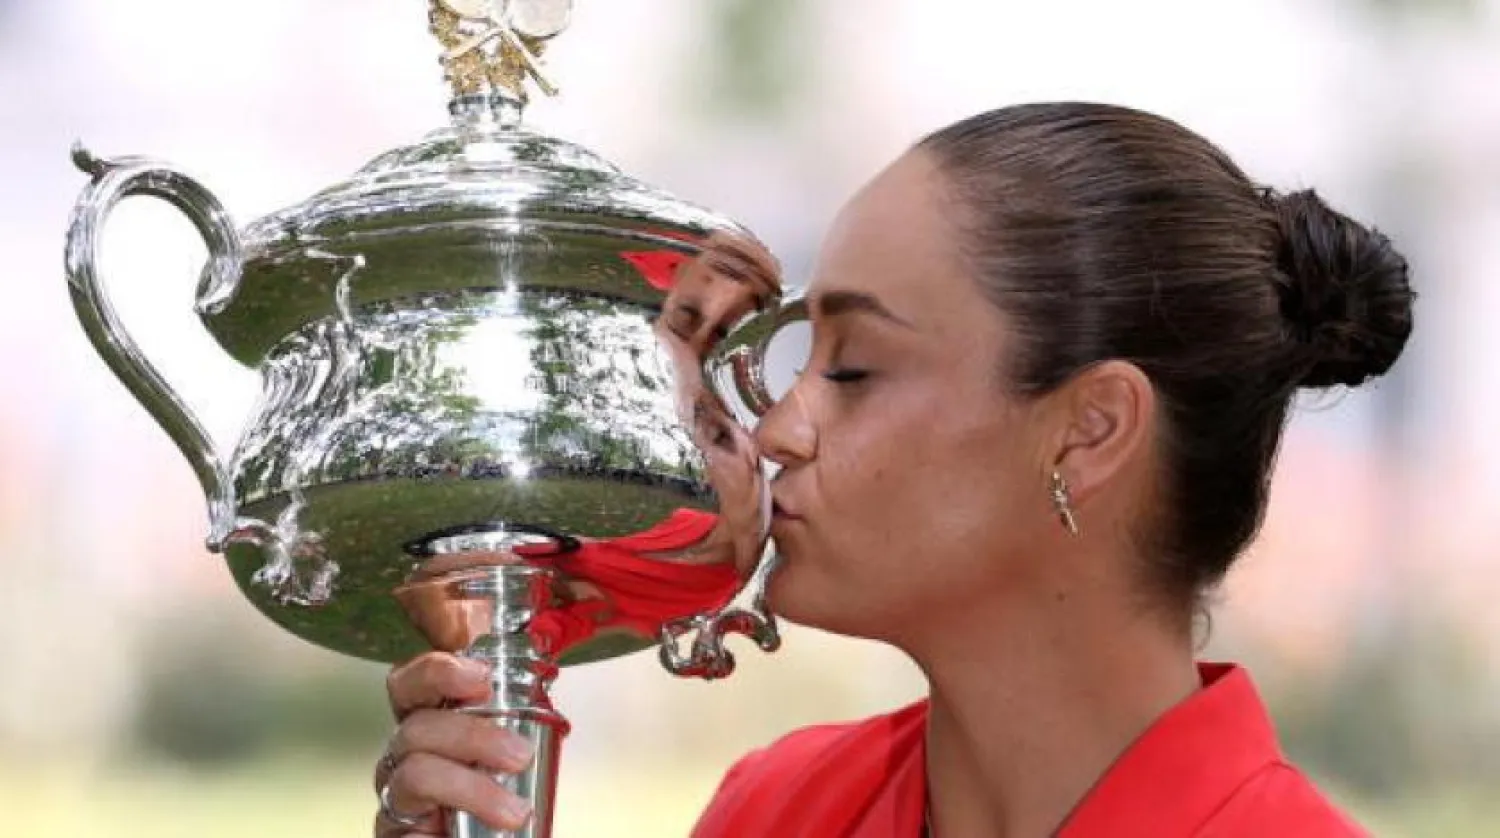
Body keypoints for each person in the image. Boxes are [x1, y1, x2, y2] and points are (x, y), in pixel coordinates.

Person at [371, 102, 1415, 837]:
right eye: (801, 359)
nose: (779, 427)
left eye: (856, 368)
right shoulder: (777, 809)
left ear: (1090, 430)